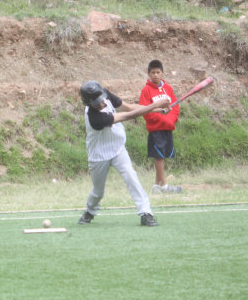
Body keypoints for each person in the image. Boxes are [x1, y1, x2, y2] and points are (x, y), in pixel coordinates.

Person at [78, 81, 170, 227]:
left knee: (131, 177)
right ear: (89, 104)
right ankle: (90, 211)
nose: (101, 104)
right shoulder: (93, 118)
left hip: (118, 148)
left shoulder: (105, 94)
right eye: (96, 103)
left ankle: (146, 213)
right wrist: (155, 105)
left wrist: (155, 109)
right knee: (98, 192)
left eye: (101, 99)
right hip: (99, 155)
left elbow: (128, 107)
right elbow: (128, 115)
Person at [139, 60, 182, 193]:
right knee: (158, 156)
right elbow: (145, 110)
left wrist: (170, 119)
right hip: (156, 128)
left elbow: (175, 108)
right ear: (148, 74)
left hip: (167, 127)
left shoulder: (168, 89)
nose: (156, 75)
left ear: (162, 73)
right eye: (153, 72)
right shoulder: (146, 90)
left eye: (158, 72)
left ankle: (156, 186)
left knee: (163, 156)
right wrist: (160, 116)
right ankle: (164, 186)